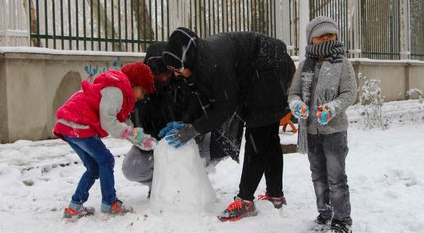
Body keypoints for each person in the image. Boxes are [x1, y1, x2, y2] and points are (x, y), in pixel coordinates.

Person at [160, 27, 296, 221]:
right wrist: (185, 123)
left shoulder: (213, 64)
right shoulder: (197, 60)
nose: (176, 74)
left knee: (258, 134)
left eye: (177, 68)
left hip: (268, 66)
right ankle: (276, 194)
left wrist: (194, 129)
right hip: (263, 64)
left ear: (186, 59)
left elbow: (225, 107)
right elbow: (199, 98)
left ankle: (245, 201)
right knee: (268, 136)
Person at [53, 61, 157, 219]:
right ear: (135, 84)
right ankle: (109, 204)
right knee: (106, 160)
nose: (142, 97)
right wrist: (133, 135)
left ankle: (74, 207)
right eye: (142, 91)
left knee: (93, 167)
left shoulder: (120, 92)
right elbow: (108, 121)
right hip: (79, 124)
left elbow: (125, 126)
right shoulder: (117, 90)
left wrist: (143, 141)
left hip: (69, 125)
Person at [288, 16, 357, 233]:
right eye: (322, 35)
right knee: (318, 176)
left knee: (336, 178)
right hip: (311, 132)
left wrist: (332, 108)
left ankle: (342, 221)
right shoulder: (304, 66)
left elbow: (349, 94)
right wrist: (297, 105)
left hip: (334, 131)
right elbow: (294, 93)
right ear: (311, 39)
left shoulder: (342, 64)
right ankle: (325, 214)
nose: (327, 38)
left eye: (331, 34)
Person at [121, 43, 222, 197]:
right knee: (131, 168)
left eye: (167, 72)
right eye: (158, 73)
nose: (164, 77)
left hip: (190, 139)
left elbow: (200, 111)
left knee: (224, 140)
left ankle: (195, 180)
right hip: (156, 146)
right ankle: (160, 186)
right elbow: (139, 131)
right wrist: (158, 141)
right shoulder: (139, 91)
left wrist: (188, 127)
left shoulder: (184, 80)